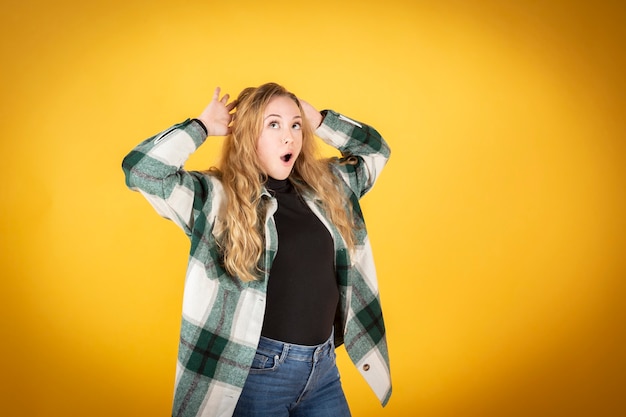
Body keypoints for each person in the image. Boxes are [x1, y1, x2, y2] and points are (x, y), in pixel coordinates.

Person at [122, 82, 391, 417]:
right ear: (248, 136)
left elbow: (377, 152)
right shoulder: (216, 198)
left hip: (322, 369)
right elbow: (142, 170)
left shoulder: (328, 188)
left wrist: (320, 121)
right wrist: (201, 127)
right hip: (258, 374)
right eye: (273, 124)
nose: (289, 136)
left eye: (295, 125)